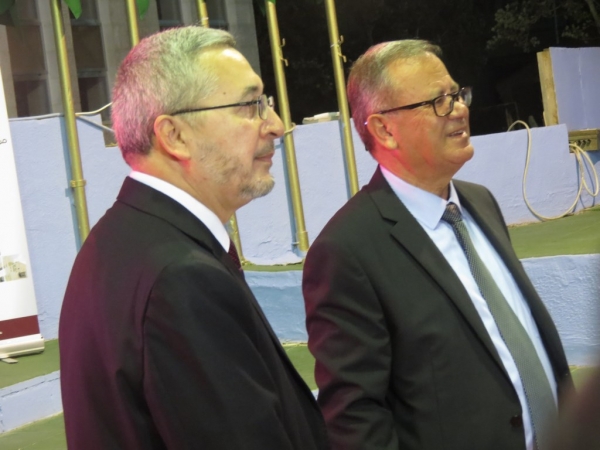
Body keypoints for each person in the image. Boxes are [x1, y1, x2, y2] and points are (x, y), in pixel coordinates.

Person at [59, 26, 329, 450]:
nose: (276, 126)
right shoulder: (181, 277)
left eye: (267, 103)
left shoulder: (120, 241)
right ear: (175, 136)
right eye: (251, 105)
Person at [302, 39, 572, 450]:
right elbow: (355, 418)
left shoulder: (479, 203)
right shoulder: (346, 250)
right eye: (438, 101)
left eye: (456, 94)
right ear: (384, 129)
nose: (459, 109)